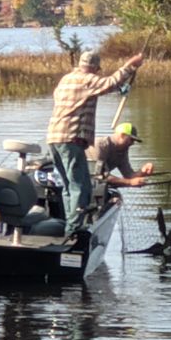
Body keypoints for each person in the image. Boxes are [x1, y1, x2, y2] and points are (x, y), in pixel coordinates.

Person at [46, 49, 143, 235]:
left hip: (54, 138)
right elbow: (110, 82)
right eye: (97, 70)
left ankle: (69, 224)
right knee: (81, 187)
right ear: (94, 68)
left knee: (67, 186)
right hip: (71, 139)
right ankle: (74, 231)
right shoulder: (87, 79)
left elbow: (93, 92)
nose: (98, 73)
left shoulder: (66, 80)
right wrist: (131, 65)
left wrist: (120, 90)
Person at [87, 122, 154, 187]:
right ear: (122, 135)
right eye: (131, 140)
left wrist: (143, 171)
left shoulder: (122, 150)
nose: (132, 143)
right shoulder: (100, 146)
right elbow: (101, 175)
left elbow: (129, 175)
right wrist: (130, 182)